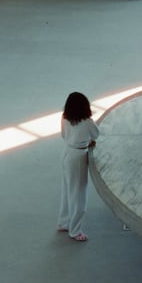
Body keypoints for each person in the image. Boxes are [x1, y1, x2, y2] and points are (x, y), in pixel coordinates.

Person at [57, 91, 99, 242]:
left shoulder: (64, 117)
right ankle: (75, 231)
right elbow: (96, 134)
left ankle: (63, 222)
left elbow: (64, 135)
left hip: (67, 153)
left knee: (67, 191)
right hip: (79, 158)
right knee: (79, 195)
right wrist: (86, 141)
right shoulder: (87, 121)